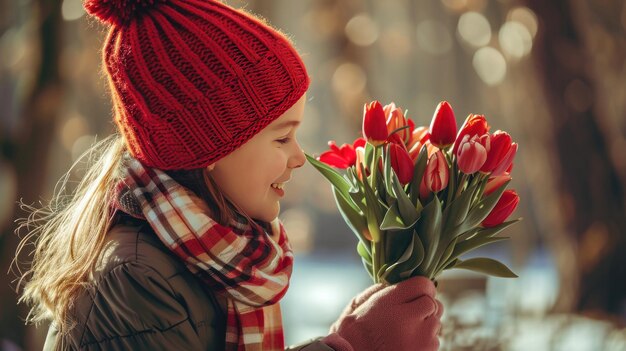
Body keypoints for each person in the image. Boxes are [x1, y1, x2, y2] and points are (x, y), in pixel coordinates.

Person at [16, 0, 443, 350]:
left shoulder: (221, 258)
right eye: (281, 139)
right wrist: (351, 347)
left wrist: (350, 336)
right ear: (209, 148)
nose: (299, 158)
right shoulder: (133, 282)